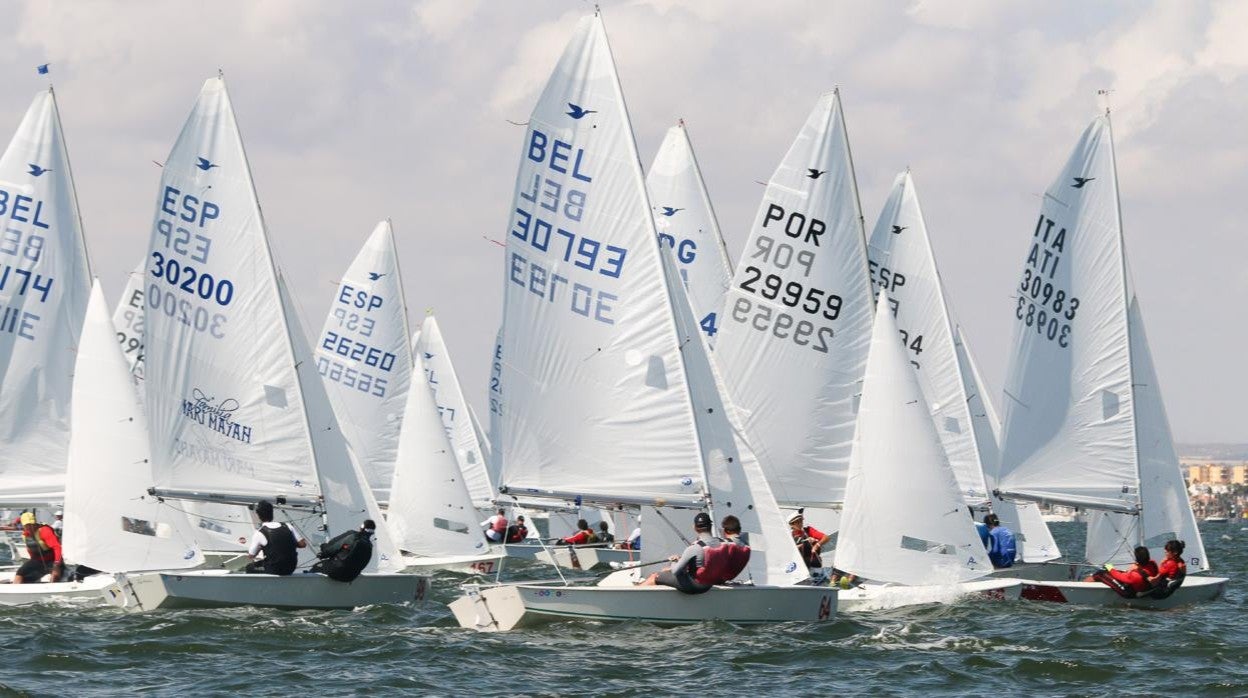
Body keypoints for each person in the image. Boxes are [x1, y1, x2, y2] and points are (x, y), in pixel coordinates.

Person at [244, 500, 308, 576]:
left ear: (258, 516)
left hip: (274, 569)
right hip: (291, 568)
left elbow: (251, 556)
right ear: (272, 513)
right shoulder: (287, 526)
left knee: (249, 568)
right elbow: (303, 544)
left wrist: (261, 547)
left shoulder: (260, 532)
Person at [311, 520, 375, 582]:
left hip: (337, 571)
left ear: (362, 528)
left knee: (316, 567)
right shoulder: (369, 545)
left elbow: (333, 548)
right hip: (350, 577)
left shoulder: (353, 536)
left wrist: (322, 554)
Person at [13, 512, 63, 584]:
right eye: (27, 525)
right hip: (38, 561)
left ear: (35, 523)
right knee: (20, 573)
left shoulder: (44, 530)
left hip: (52, 561)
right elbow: (30, 550)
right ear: (23, 525)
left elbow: (57, 547)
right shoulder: (25, 535)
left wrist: (57, 564)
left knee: (55, 575)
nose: (30, 527)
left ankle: (51, 591)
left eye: (32, 524)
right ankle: (16, 592)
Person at [1088, 546, 1158, 595]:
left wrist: (1110, 568)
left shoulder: (1135, 575)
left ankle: (1084, 585)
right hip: (1144, 587)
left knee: (1100, 573)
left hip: (1128, 593)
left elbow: (1119, 576)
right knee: (1119, 572)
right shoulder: (1153, 564)